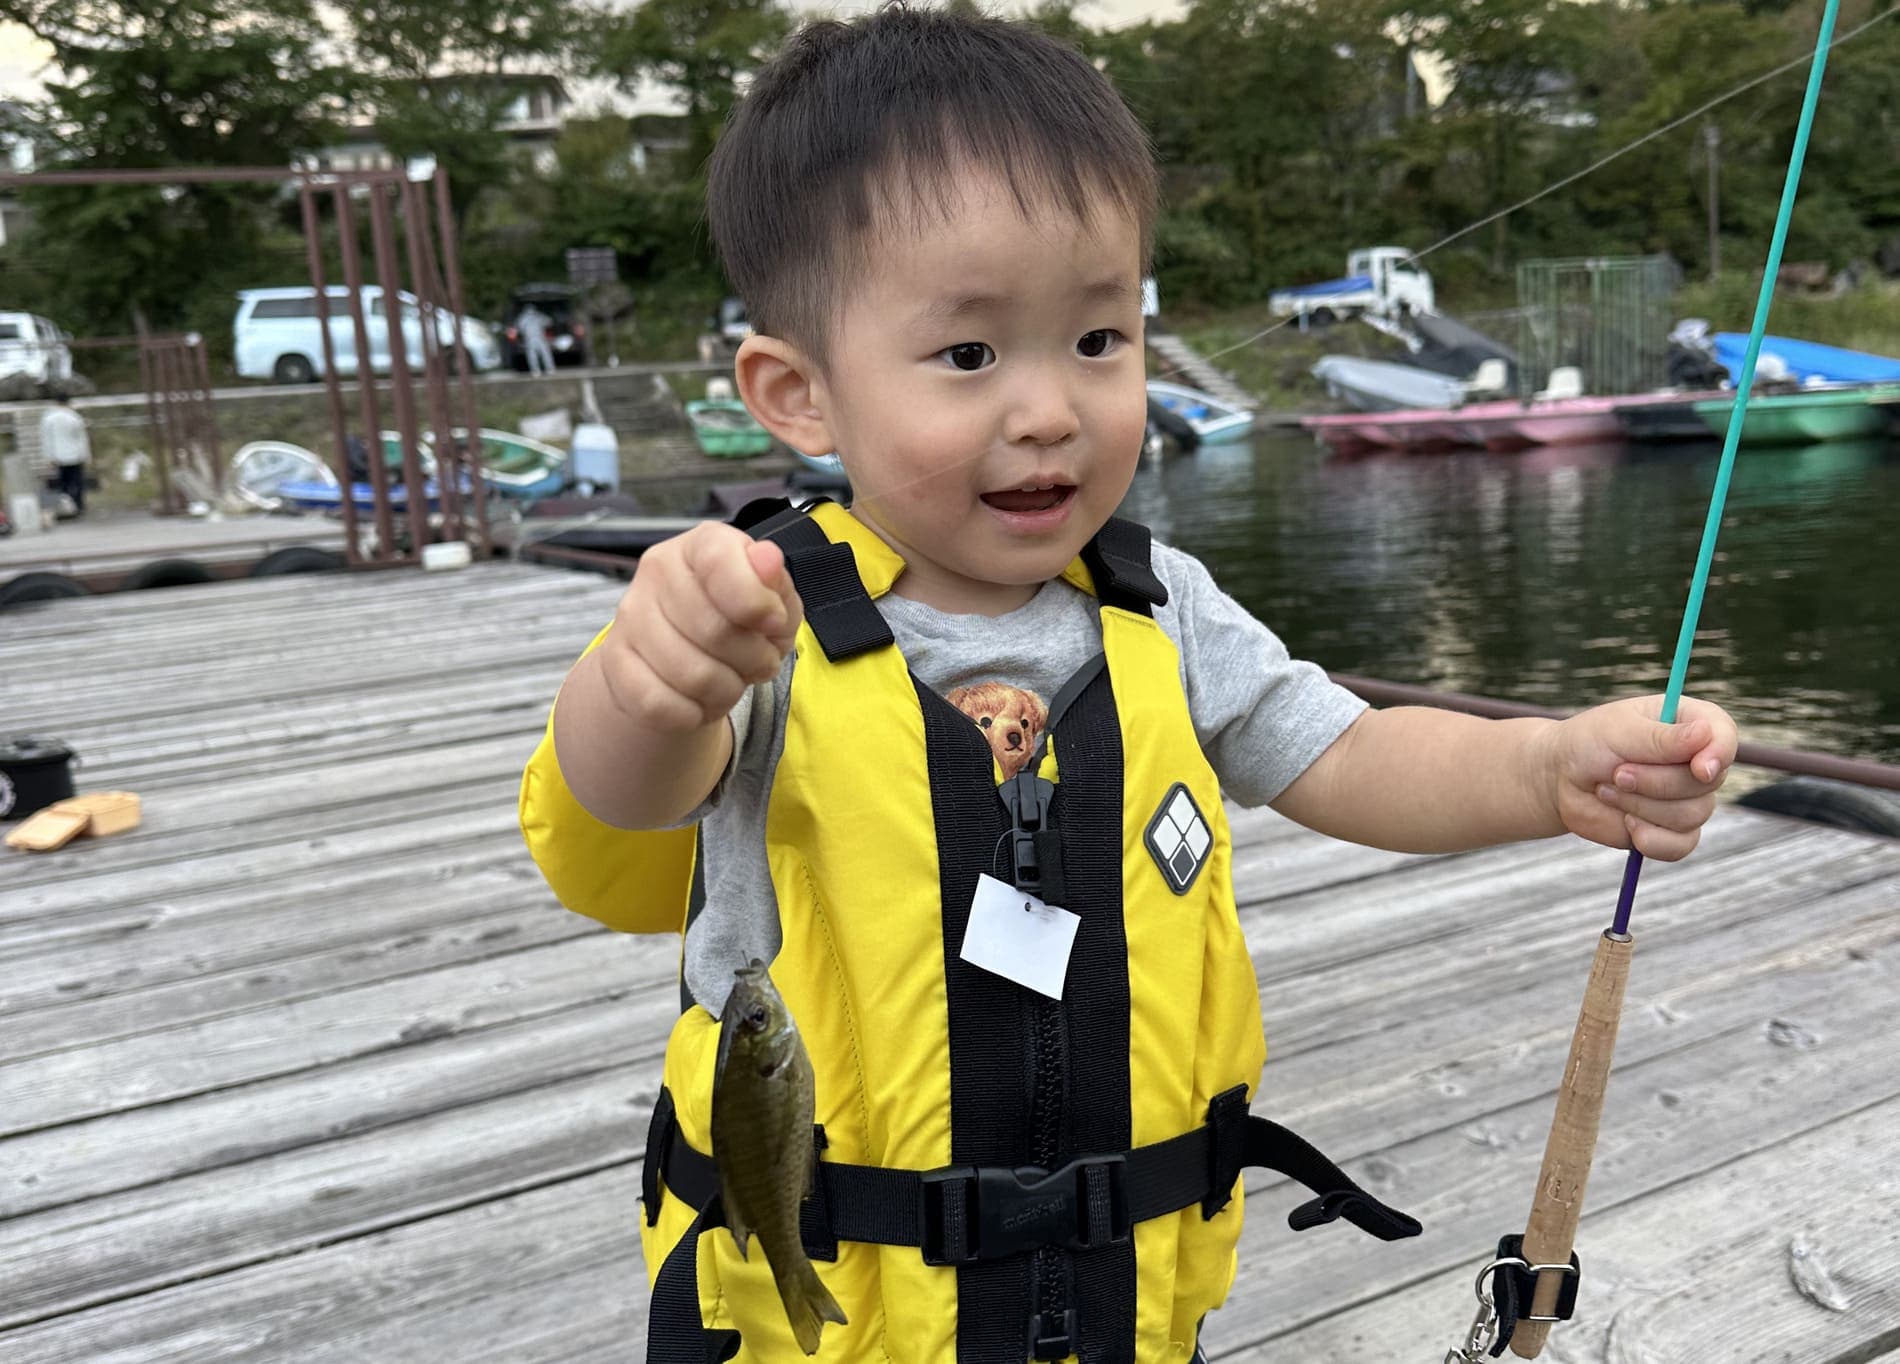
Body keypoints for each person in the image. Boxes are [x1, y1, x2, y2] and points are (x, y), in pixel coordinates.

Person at [518, 10, 1738, 1361]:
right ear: (797, 396)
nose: (1052, 409)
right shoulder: (760, 620)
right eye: (971, 355)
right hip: (836, 1324)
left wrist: (1545, 770)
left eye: (1100, 338)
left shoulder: (1164, 610)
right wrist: (652, 684)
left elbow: (1343, 753)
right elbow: (621, 811)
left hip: (1113, 1300)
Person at [40, 393, 90, 517]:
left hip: (59, 456)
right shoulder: (74, 417)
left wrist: (48, 457)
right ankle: (79, 506)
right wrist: (86, 455)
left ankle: (65, 507)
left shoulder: (48, 418)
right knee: (77, 482)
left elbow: (47, 440)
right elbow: (82, 438)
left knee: (63, 483)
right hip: (76, 455)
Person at [514, 303, 555, 376]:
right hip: (535, 338)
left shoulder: (525, 317)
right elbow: (549, 322)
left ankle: (538, 371)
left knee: (538, 355)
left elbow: (519, 328)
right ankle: (547, 369)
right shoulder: (537, 316)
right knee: (540, 354)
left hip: (534, 338)